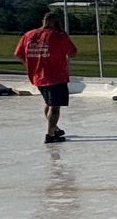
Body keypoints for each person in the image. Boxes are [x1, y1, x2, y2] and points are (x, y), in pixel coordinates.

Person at [14, 12, 79, 144]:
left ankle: (54, 128)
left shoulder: (28, 35)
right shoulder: (58, 36)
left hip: (38, 77)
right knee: (55, 107)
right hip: (56, 76)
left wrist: (31, 65)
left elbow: (19, 54)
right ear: (56, 23)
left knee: (49, 104)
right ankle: (50, 135)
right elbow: (72, 52)